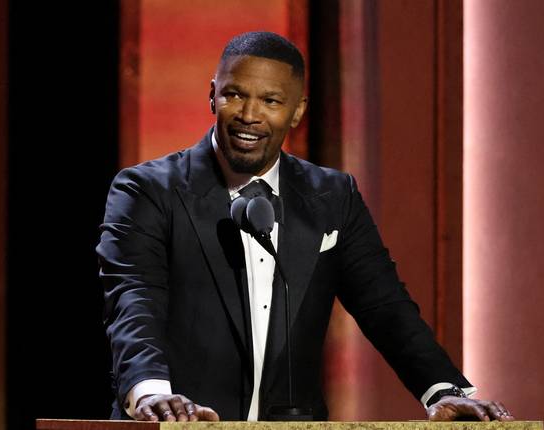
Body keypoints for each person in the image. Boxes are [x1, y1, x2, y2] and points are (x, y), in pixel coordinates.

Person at [97, 31, 514, 422]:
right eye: (234, 95)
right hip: (183, 424)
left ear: (297, 111)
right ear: (212, 95)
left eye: (271, 101)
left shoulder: (332, 197)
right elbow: (134, 299)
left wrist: (442, 390)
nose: (249, 115)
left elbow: (385, 307)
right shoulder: (147, 191)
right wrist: (152, 393)